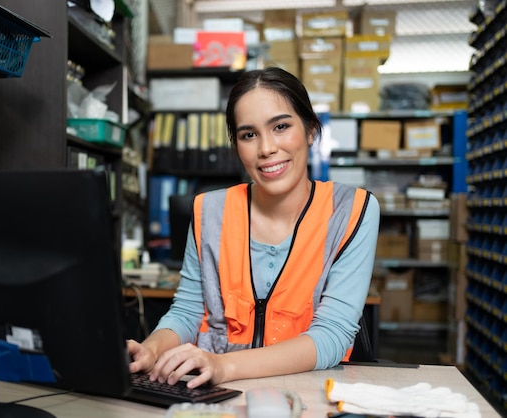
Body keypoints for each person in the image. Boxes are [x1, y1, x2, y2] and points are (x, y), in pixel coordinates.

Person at [128, 67, 380, 389]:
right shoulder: (209, 211)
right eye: (249, 135)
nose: (266, 149)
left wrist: (223, 366)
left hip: (308, 394)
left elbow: (331, 335)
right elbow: (187, 312)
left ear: (311, 131)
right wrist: (150, 349)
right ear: (237, 147)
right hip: (216, 396)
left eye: (281, 127)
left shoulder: (352, 211)